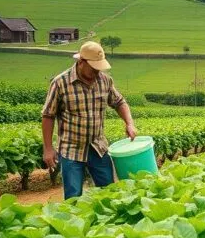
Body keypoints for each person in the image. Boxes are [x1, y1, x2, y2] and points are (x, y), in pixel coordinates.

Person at [41, 41, 137, 199]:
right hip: (71, 149)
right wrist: (48, 148)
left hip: (98, 146)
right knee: (73, 197)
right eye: (93, 68)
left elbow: (120, 102)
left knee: (109, 193)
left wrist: (130, 123)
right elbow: (48, 115)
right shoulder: (60, 83)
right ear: (81, 62)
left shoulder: (105, 81)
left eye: (99, 68)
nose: (97, 72)